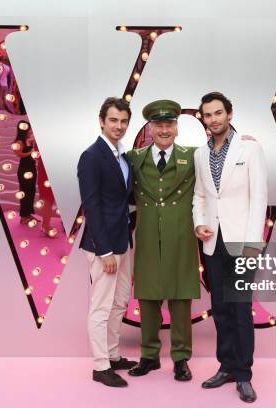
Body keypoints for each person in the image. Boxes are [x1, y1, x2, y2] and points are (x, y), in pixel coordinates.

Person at [193, 92, 268, 403]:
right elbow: (200, 195)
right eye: (208, 115)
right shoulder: (200, 154)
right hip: (212, 243)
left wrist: (252, 243)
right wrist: (198, 223)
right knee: (221, 309)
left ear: (230, 114)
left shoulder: (250, 148)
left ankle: (243, 374)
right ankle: (225, 366)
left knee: (240, 309)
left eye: (218, 113)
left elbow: (259, 197)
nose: (214, 119)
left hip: (241, 244)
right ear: (203, 119)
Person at [126, 100, 200, 382]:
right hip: (146, 236)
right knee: (147, 296)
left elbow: (223, 156)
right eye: (158, 124)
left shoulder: (193, 156)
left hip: (181, 237)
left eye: (169, 124)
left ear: (177, 128)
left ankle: (181, 358)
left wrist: (242, 143)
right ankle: (149, 356)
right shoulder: (134, 157)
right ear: (150, 128)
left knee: (181, 298)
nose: (164, 129)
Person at [77, 97, 137, 388]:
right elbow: (92, 207)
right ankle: (101, 367)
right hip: (104, 247)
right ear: (102, 121)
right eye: (113, 120)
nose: (119, 126)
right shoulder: (92, 156)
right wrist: (104, 251)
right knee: (101, 307)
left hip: (124, 240)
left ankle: (112, 355)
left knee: (119, 302)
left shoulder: (122, 155)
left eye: (124, 121)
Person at [13, 120, 38, 225]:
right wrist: (30, 152)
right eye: (28, 128)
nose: (30, 130)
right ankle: (23, 217)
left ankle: (28, 214)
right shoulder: (19, 142)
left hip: (32, 168)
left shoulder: (28, 140)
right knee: (25, 192)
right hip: (24, 169)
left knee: (31, 192)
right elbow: (18, 154)